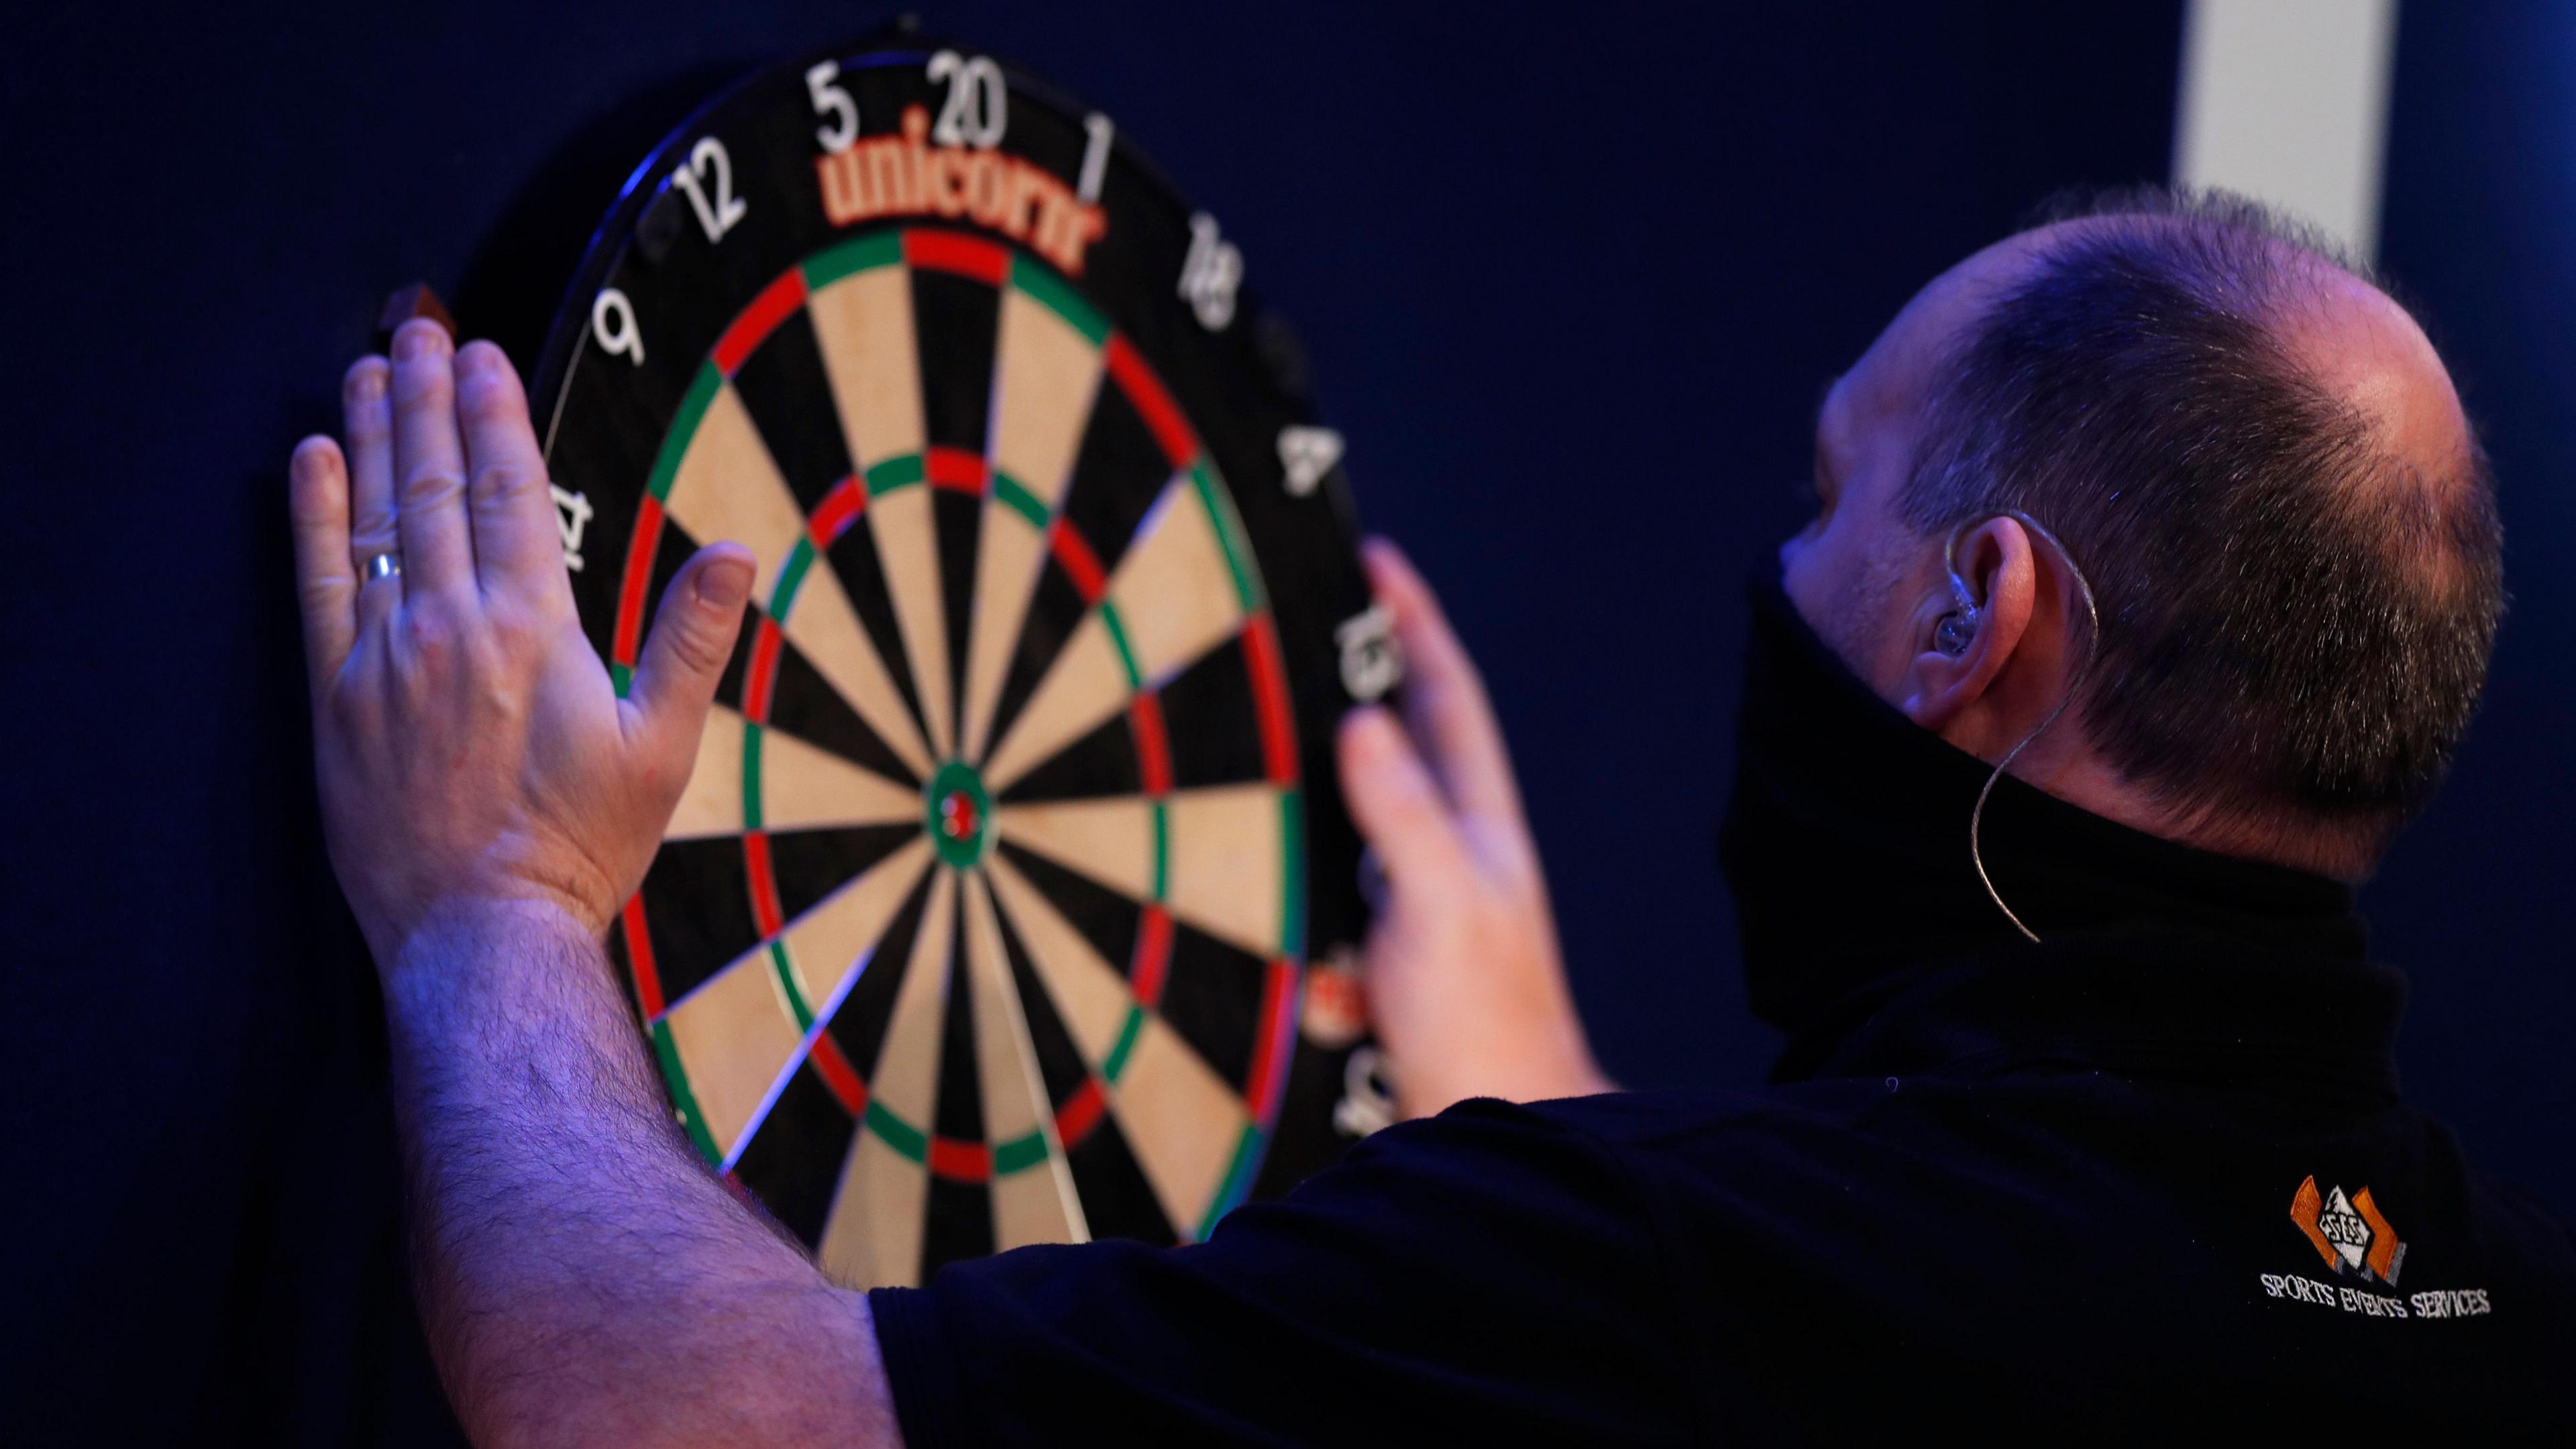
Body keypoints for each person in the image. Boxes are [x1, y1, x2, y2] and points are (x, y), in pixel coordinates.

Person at [284, 188, 2573, 1445]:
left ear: (1975, 615)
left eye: (1830, 500)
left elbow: (686, 1433)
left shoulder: (1652, 1277)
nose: (1787, 576)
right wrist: (1587, 1135)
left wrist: (501, 903)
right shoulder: (2494, 1298)